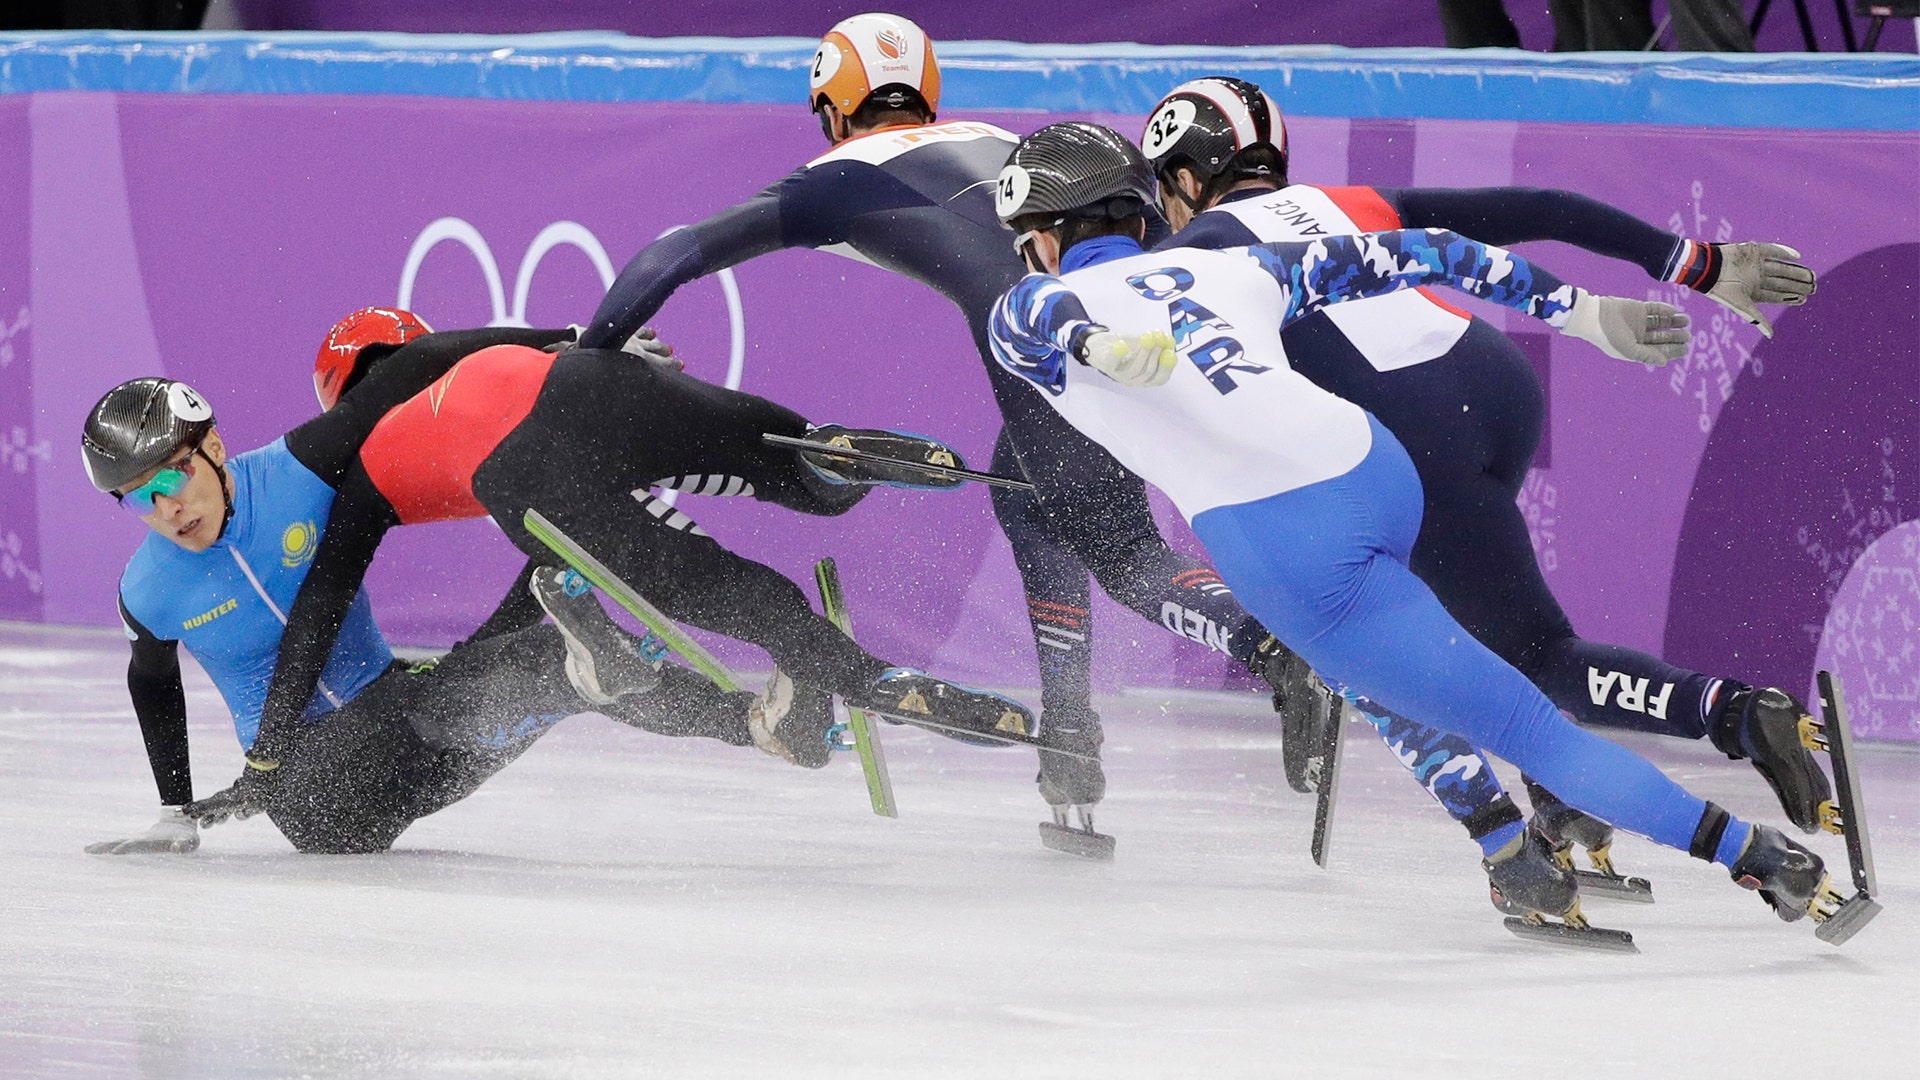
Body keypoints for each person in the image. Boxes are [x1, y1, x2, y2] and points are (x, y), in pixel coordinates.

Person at [986, 121, 1838, 928]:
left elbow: (1037, 319)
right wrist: (1583, 315)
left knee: (1509, 718)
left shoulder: (1033, 301)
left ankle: (1751, 856)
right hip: (1376, 467)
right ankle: (1512, 849)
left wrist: (1097, 348)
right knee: (1408, 666)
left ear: (1045, 237)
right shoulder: (1239, 266)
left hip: (1289, 543)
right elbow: (1441, 254)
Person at [575, 12, 1328, 829]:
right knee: (1030, 493)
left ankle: (1271, 649)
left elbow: (672, 253)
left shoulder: (833, 175)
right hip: (1151, 319)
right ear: (926, 94)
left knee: (1124, 556)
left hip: (1049, 348)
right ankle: (1070, 732)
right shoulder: (995, 137)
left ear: (830, 106)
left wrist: (591, 350)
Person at [246, 308, 1036, 786]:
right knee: (774, 457)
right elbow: (446, 354)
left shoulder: (362, 474)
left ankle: (865, 678)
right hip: (588, 378)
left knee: (712, 584)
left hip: (520, 468)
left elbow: (320, 605)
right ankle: (824, 460)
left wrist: (269, 748)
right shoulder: (472, 353)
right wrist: (580, 337)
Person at [80, 360, 783, 855]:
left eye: (172, 474)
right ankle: (581, 676)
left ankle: (760, 723)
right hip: (313, 795)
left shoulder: (297, 471)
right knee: (505, 680)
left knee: (539, 661)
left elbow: (409, 372)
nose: (167, 506)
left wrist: (567, 341)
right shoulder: (146, 589)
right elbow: (151, 682)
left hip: (414, 742)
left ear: (212, 444)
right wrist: (177, 810)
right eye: (139, 496)